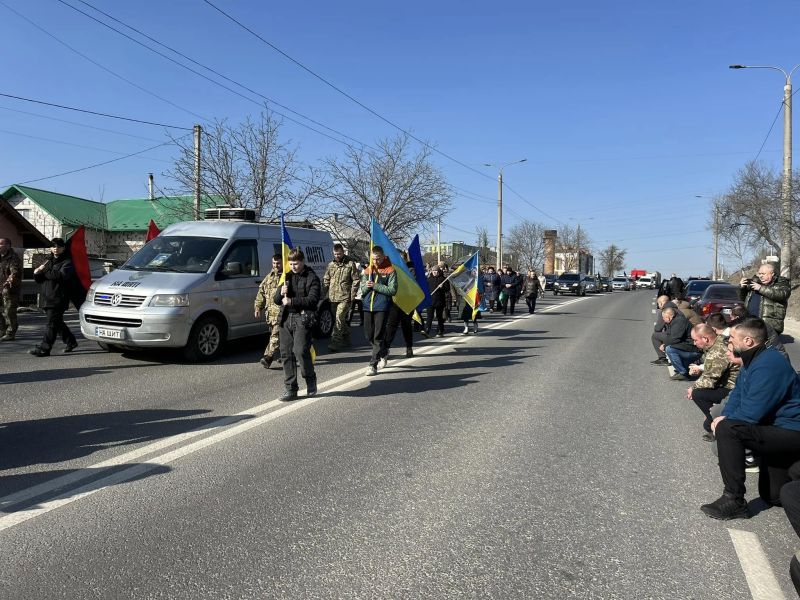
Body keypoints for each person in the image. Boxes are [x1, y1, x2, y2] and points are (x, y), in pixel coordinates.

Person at [701, 317, 800, 520]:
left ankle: (734, 500)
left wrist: (724, 422)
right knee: (773, 496)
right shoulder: (752, 361)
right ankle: (793, 470)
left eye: (733, 338)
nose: (730, 342)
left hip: (792, 431)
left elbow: (752, 413)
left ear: (748, 341)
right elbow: (737, 396)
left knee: (730, 430)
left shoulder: (769, 363)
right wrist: (725, 416)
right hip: (777, 429)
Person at [273, 249, 320, 401]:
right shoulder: (286, 276)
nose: (293, 266)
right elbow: (276, 300)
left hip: (302, 317)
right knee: (286, 353)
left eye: (296, 263)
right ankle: (291, 388)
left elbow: (313, 300)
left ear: (303, 261)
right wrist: (281, 292)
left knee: (300, 350)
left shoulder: (311, 277)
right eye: (291, 263)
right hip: (286, 318)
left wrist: (293, 301)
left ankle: (310, 378)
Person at [686, 323, 740, 440]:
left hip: (733, 388)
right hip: (728, 382)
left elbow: (710, 379)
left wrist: (693, 387)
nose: (694, 343)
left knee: (698, 394)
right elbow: (712, 369)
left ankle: (717, 422)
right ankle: (713, 416)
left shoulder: (717, 351)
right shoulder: (718, 340)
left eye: (695, 340)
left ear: (705, 339)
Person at [30, 238, 78, 357]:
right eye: (53, 246)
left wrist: (44, 272)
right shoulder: (48, 260)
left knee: (51, 324)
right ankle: (71, 341)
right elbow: (40, 279)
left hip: (59, 297)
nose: (56, 248)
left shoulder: (67, 262)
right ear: (51, 248)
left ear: (63, 248)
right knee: (57, 322)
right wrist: (37, 273)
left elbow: (61, 276)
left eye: (59, 246)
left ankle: (44, 348)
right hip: (47, 296)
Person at [360, 246, 397, 376]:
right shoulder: (367, 270)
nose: (376, 261)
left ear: (383, 256)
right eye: (373, 258)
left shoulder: (390, 270)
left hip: (382, 306)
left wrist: (376, 286)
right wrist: (366, 285)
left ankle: (372, 365)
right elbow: (362, 290)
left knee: (378, 337)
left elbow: (392, 290)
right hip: (367, 306)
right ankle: (384, 352)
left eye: (378, 258)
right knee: (368, 336)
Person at [323, 243, 360, 352]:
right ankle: (347, 336)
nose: (337, 256)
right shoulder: (331, 265)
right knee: (339, 320)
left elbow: (356, 280)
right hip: (333, 298)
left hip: (345, 297)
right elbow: (326, 280)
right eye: (335, 254)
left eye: (339, 254)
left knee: (339, 318)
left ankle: (336, 341)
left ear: (343, 252)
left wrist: (352, 296)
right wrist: (322, 294)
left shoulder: (350, 264)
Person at [739, 262, 791, 335]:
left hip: (768, 326)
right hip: (750, 322)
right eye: (759, 274)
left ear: (772, 274)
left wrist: (761, 288)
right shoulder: (754, 283)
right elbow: (741, 298)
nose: (761, 276)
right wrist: (742, 288)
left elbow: (782, 295)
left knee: (766, 345)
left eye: (763, 274)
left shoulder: (782, 283)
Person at [381, 260, 415, 361]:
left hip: (407, 302)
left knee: (406, 326)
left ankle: (409, 347)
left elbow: (414, 284)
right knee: (391, 327)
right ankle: (385, 350)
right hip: (394, 303)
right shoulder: (390, 270)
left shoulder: (410, 271)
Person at [254, 254, 283, 368]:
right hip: (270, 314)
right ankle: (288, 355)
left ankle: (268, 357)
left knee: (275, 335)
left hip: (282, 313)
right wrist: (257, 307)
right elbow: (261, 293)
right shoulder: (269, 277)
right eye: (274, 263)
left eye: (278, 263)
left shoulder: (286, 277)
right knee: (277, 336)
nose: (276, 266)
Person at [0, 238, 23, 341]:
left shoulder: (13, 258)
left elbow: (15, 272)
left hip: (10, 290)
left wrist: (10, 279)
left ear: (8, 245)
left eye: (1, 244)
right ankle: (2, 330)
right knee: (0, 311)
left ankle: (10, 333)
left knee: (9, 312)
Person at [651, 295, 678, 365]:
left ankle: (662, 358)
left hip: (675, 335)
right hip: (681, 333)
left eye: (658, 304)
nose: (658, 306)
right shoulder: (676, 308)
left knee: (655, 336)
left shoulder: (665, 310)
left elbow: (658, 328)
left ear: (661, 303)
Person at [424, 264, 449, 338]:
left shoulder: (443, 279)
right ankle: (427, 330)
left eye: (436, 271)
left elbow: (447, 289)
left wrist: (442, 287)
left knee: (439, 317)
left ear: (439, 271)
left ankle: (440, 331)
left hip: (440, 301)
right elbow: (426, 289)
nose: (435, 272)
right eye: (433, 271)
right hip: (430, 301)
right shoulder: (429, 279)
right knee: (429, 316)